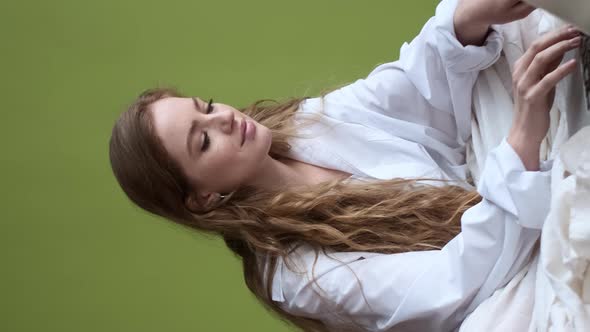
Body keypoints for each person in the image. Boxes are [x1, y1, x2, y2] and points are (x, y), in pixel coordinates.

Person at [108, 0, 583, 330]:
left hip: (487, 189)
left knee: (512, 26)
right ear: (202, 197)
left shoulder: (300, 127)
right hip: (490, 293)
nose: (227, 120)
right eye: (204, 139)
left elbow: (411, 90)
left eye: (207, 106)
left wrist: (465, 20)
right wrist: (523, 136)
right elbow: (453, 285)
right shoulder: (298, 276)